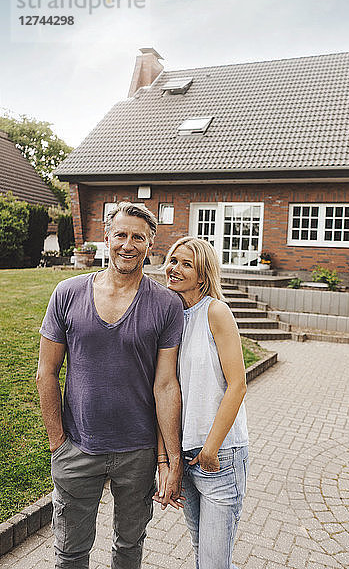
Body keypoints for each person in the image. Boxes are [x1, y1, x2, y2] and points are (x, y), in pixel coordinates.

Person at [36, 202, 184, 569]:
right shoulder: (67, 293)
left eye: (139, 237)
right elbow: (46, 372)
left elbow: (166, 385)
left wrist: (171, 460)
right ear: (106, 238)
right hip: (78, 448)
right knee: (70, 552)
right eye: (121, 235)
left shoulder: (166, 305)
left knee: (129, 548)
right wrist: (58, 442)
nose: (128, 244)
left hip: (138, 451)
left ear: (151, 246)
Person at [155, 236, 249, 569]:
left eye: (186, 263)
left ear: (203, 275)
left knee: (213, 562)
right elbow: (162, 390)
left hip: (218, 456)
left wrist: (210, 449)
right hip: (186, 457)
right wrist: (167, 459)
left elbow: (238, 385)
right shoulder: (169, 318)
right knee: (202, 554)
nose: (174, 268)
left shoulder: (216, 312)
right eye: (172, 260)